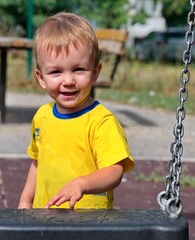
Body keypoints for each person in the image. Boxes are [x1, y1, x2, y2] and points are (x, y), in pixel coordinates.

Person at [18, 12, 135, 210]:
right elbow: (38, 163)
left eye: (78, 69)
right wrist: (26, 201)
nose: (68, 81)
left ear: (95, 72)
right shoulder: (42, 116)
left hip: (88, 222)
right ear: (41, 78)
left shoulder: (101, 121)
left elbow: (114, 171)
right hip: (43, 217)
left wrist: (81, 184)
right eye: (56, 71)